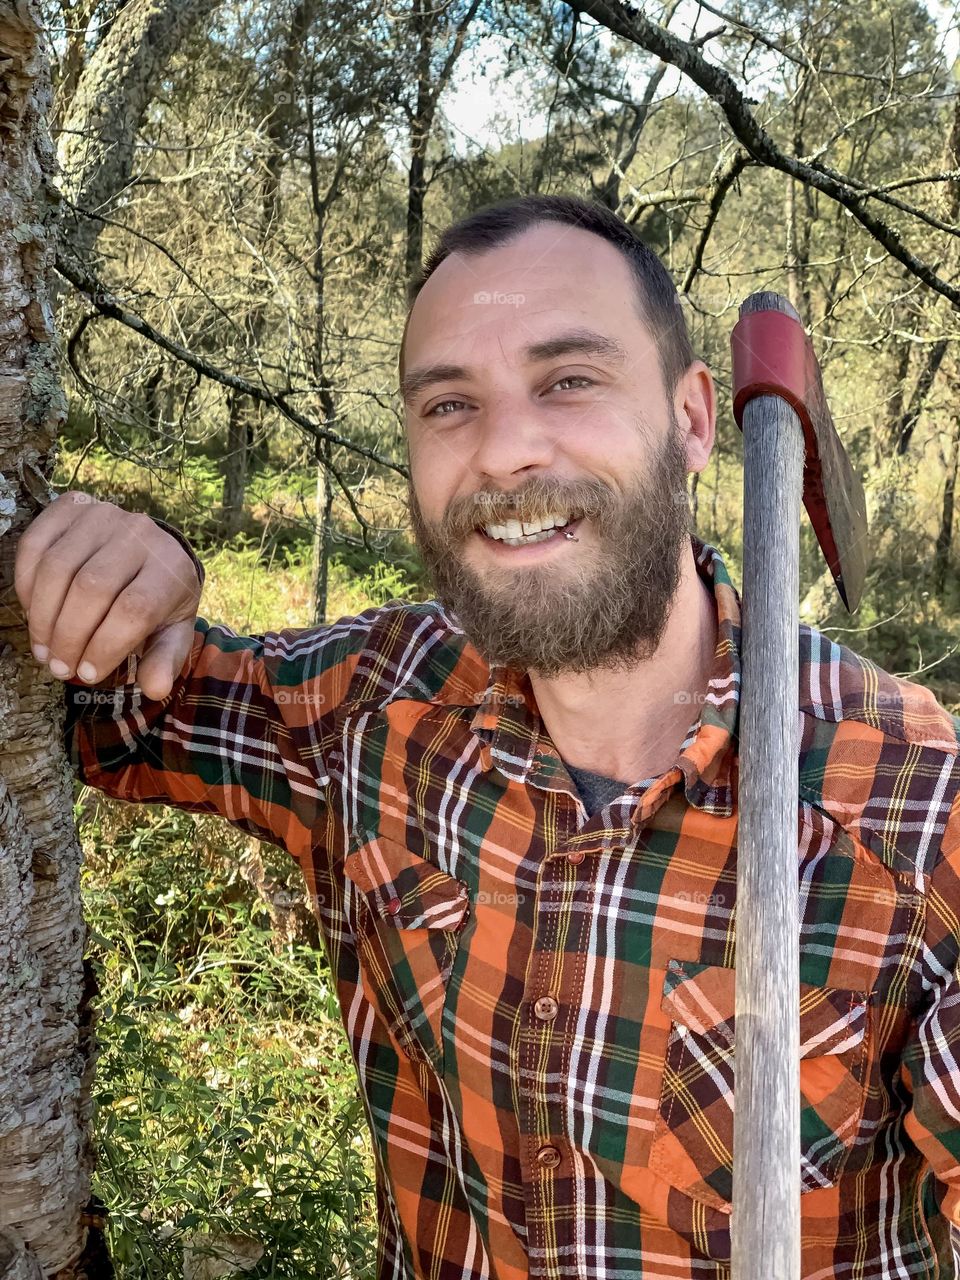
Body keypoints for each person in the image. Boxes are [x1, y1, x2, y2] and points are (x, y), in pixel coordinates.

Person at [16, 194, 960, 1279]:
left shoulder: (914, 812)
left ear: (695, 418)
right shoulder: (371, 712)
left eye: (569, 380)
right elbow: (88, 716)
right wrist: (128, 568)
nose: (507, 448)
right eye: (450, 403)